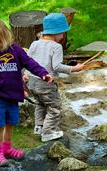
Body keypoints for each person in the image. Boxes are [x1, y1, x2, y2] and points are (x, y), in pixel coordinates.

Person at [0, 18, 52, 166]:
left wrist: (43, 73)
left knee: (11, 123)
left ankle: (7, 148)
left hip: (13, 96)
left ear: (5, 36)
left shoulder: (15, 50)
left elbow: (30, 63)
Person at [27, 13, 84, 142]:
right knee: (54, 107)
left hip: (32, 81)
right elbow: (57, 66)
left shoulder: (34, 44)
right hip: (46, 82)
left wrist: (24, 75)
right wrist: (74, 69)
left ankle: (39, 127)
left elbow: (27, 61)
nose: (63, 36)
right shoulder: (56, 47)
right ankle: (48, 132)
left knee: (40, 104)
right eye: (63, 33)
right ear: (56, 33)